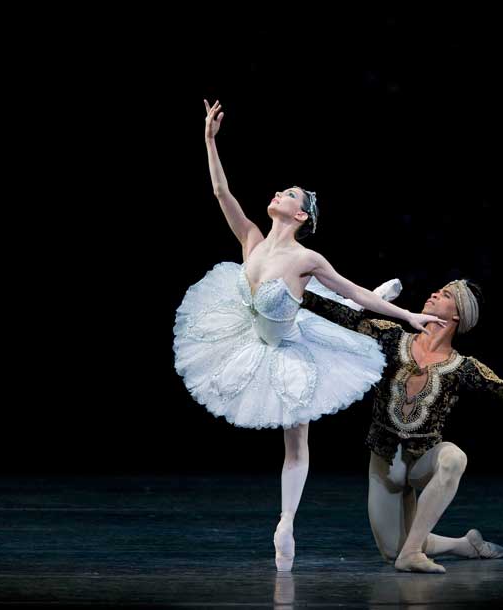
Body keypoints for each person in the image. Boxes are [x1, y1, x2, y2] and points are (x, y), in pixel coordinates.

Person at [173, 99, 446, 571]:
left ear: (301, 215)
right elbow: (221, 193)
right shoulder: (252, 240)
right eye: (281, 190)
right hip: (247, 340)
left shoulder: (307, 259)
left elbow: (356, 291)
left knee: (297, 441)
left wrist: (408, 316)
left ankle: (286, 523)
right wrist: (210, 140)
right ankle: (285, 521)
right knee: (317, 315)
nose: (280, 192)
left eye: (290, 194)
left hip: (289, 350)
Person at [299, 278, 503, 573]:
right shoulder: (390, 335)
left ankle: (413, 553)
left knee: (454, 458)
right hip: (384, 463)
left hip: (421, 461)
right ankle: (462, 545)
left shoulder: (464, 368)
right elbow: (340, 315)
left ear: (457, 316)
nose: (435, 293)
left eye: (447, 294)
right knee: (389, 552)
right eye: (439, 290)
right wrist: (291, 291)